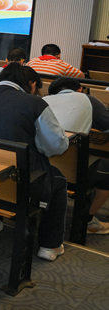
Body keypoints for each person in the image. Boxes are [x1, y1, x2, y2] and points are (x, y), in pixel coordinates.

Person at [0, 64, 69, 261]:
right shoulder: (35, 103)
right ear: (31, 84)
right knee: (59, 180)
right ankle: (50, 246)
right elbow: (57, 146)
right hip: (18, 180)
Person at [44, 77, 109, 234]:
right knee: (106, 172)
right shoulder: (89, 100)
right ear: (79, 89)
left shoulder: (43, 101)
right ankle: (88, 220)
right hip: (76, 173)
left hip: (44, 167)